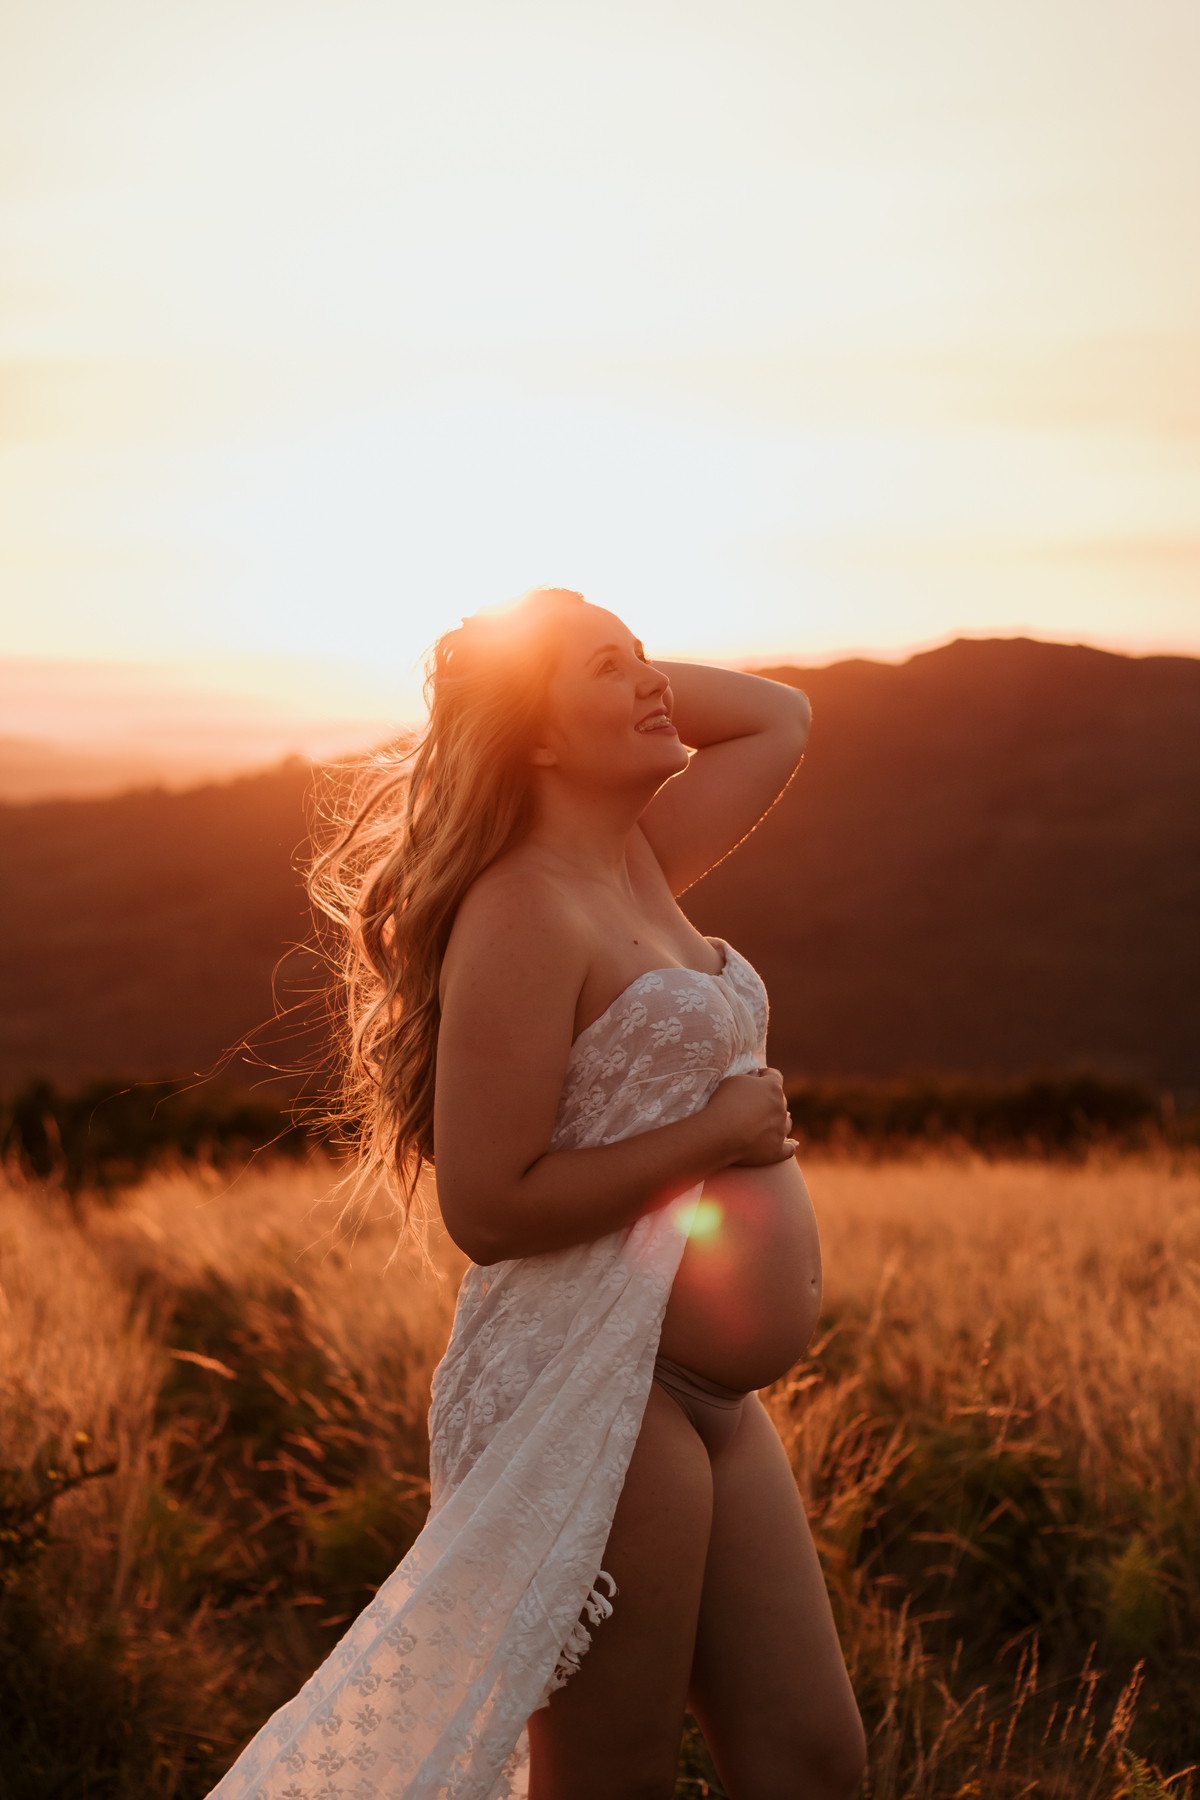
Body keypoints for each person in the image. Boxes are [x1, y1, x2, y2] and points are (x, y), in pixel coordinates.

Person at [208, 587, 866, 1800]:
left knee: (814, 1763)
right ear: (540, 737)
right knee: (610, 1781)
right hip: (595, 1381)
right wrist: (715, 1133)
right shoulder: (522, 906)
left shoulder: (637, 861)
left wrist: (611, 672)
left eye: (646, 655)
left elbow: (779, 716)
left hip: (711, 1397)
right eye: (609, 669)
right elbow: (490, 1206)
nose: (654, 681)